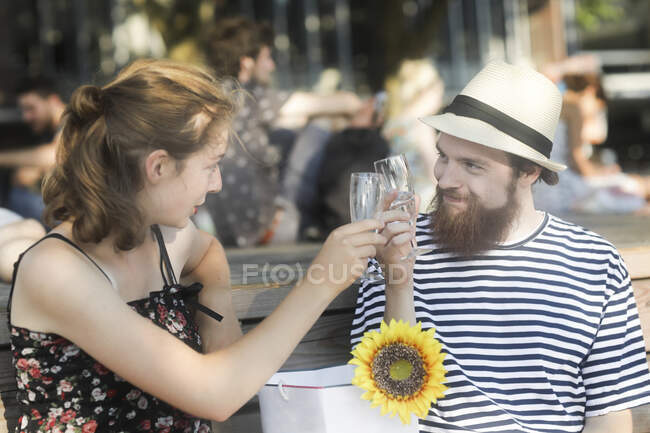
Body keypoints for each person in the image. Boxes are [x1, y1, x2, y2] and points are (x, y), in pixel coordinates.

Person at [8, 58, 388, 432]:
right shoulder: (58, 271)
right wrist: (321, 282)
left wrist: (217, 312)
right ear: (158, 168)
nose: (217, 183)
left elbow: (208, 252)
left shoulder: (167, 236)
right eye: (211, 165)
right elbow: (217, 396)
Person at [350, 61, 650, 432]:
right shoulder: (399, 249)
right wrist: (399, 283)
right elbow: (389, 398)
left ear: (529, 172)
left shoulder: (594, 264)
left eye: (472, 166)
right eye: (444, 156)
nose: (445, 180)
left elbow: (611, 418)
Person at [202, 16, 361, 247]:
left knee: (287, 135)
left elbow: (291, 116)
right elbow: (346, 103)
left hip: (229, 236)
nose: (272, 66)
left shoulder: (214, 97)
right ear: (246, 64)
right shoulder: (247, 96)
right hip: (272, 230)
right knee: (321, 125)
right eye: (267, 58)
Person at [382, 58, 444, 212]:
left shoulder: (392, 124)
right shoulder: (421, 126)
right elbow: (436, 175)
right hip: (423, 206)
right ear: (427, 91)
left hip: (399, 204)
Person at [0, 76, 65, 221]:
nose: (26, 117)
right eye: (23, 110)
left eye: (30, 108)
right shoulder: (50, 132)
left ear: (53, 101)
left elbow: (56, 155)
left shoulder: (73, 121)